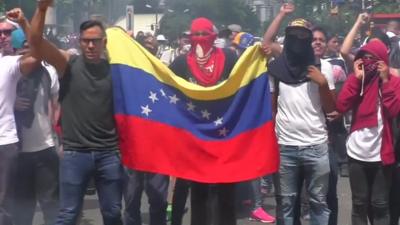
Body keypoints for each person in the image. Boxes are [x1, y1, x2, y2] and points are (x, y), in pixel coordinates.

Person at [28, 1, 123, 225]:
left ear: (104, 43)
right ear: (79, 42)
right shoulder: (67, 64)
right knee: (68, 215)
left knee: (112, 213)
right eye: (86, 41)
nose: (90, 46)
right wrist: (42, 10)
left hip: (109, 153)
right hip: (74, 154)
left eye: (95, 41)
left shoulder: (117, 69)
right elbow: (35, 43)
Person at [263, 3, 336, 225]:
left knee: (318, 203)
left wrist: (322, 84)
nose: (298, 40)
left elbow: (332, 108)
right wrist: (282, 14)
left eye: (302, 36)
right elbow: (273, 107)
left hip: (316, 145)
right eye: (292, 36)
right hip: (285, 146)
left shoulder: (322, 68)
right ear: (287, 39)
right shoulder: (277, 68)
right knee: (286, 204)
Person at [169, 17, 237, 225]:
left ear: (213, 36)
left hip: (223, 135)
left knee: (225, 190)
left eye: (204, 34)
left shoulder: (228, 57)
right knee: (198, 191)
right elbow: (168, 88)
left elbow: (243, 82)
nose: (200, 38)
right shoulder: (181, 62)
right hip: (194, 137)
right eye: (196, 34)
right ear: (190, 37)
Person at [336, 39, 400, 225]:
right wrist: (356, 79)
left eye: (373, 59)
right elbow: (342, 105)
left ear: (383, 60)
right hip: (357, 154)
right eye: (364, 58)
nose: (368, 63)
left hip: (382, 155)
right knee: (359, 204)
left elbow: (394, 110)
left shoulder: (394, 82)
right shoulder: (358, 80)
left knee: (380, 204)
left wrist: (386, 81)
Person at [11, 28, 60, 225]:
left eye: (30, 50)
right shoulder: (8, 72)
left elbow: (55, 103)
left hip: (45, 148)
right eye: (22, 51)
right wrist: (11, 103)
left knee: (51, 206)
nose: (27, 56)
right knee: (21, 210)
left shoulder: (49, 72)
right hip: (16, 151)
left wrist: (57, 139)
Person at [0, 8, 40, 225]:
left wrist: (25, 23)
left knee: (5, 204)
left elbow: (37, 54)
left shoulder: (8, 64)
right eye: (0, 32)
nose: (3, 37)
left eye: (7, 33)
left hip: (5, 143)